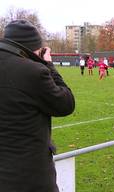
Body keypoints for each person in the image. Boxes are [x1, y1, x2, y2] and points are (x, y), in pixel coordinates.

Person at [0, 20, 75, 192]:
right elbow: (66, 104)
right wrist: (48, 65)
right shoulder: (33, 71)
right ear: (33, 48)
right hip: (29, 178)